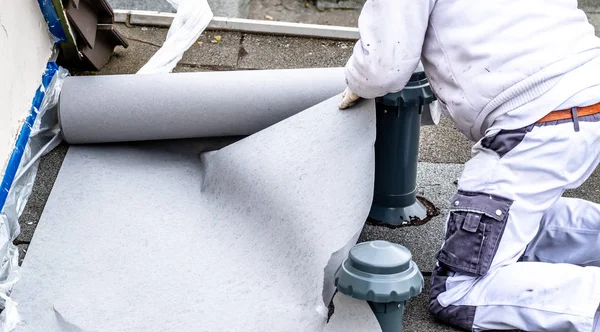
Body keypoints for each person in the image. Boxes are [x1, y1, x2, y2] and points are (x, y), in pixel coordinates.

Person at [338, 0, 600, 331]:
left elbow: (383, 66)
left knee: (458, 291)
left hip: (534, 121)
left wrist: (355, 82)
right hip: (586, 91)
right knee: (516, 221)